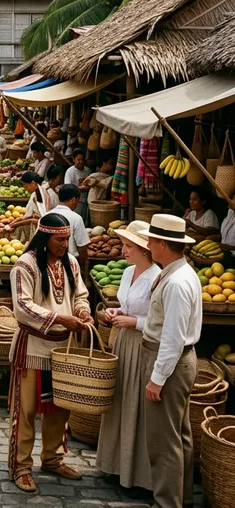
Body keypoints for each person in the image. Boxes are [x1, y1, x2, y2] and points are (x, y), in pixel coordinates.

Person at [8, 212, 93, 493]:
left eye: (67, 239)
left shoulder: (71, 263)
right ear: (45, 238)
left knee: (60, 408)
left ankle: (53, 458)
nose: (64, 244)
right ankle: (21, 466)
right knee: (27, 411)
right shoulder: (25, 265)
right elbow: (22, 306)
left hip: (63, 350)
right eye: (59, 239)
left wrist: (81, 311)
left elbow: (80, 294)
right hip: (33, 347)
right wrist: (60, 319)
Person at [137, 215, 202, 508]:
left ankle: (167, 502)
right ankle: (182, 498)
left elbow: (173, 338)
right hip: (179, 360)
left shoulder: (176, 282)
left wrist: (157, 378)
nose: (148, 245)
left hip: (170, 361)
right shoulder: (178, 272)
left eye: (151, 240)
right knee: (179, 436)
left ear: (163, 244)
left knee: (164, 442)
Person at [96, 220, 160, 492]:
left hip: (145, 345)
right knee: (121, 401)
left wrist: (134, 322)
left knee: (138, 405)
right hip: (123, 342)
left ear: (145, 250)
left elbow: (161, 322)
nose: (123, 250)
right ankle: (115, 465)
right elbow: (126, 305)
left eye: (128, 246)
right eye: (123, 245)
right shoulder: (127, 273)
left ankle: (139, 475)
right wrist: (117, 312)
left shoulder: (157, 278)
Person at [44, 184, 90, 259]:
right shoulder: (76, 218)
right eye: (77, 201)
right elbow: (82, 247)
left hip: (48, 260)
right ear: (73, 200)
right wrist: (84, 263)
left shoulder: (46, 216)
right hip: (69, 261)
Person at [8, 171, 49, 247]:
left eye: (26, 186)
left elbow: (41, 218)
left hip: (37, 229)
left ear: (33, 183)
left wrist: (17, 223)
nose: (25, 189)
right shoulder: (41, 192)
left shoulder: (37, 196)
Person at [64, 150, 92, 225]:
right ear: (73, 159)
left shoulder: (87, 170)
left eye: (82, 160)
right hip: (75, 201)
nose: (81, 162)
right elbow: (68, 186)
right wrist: (81, 188)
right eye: (78, 160)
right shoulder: (70, 171)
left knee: (84, 221)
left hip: (85, 200)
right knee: (75, 221)